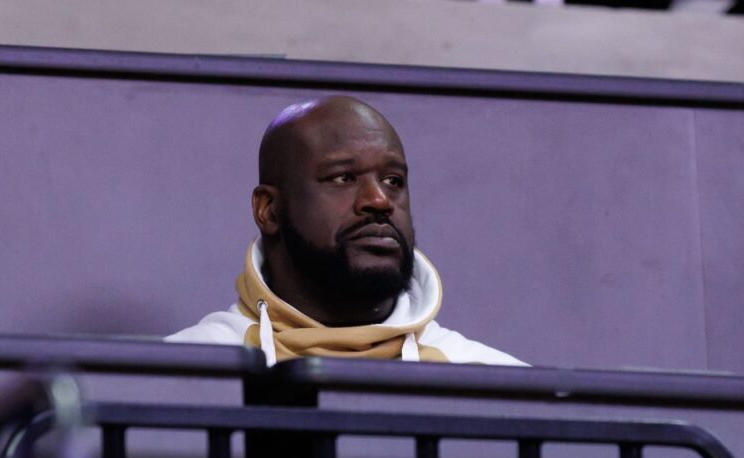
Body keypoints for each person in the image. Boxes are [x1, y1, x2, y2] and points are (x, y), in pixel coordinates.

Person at [167, 95, 526, 367]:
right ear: (269, 210)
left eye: (393, 180)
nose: (379, 200)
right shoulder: (184, 374)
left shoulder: (492, 382)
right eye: (343, 178)